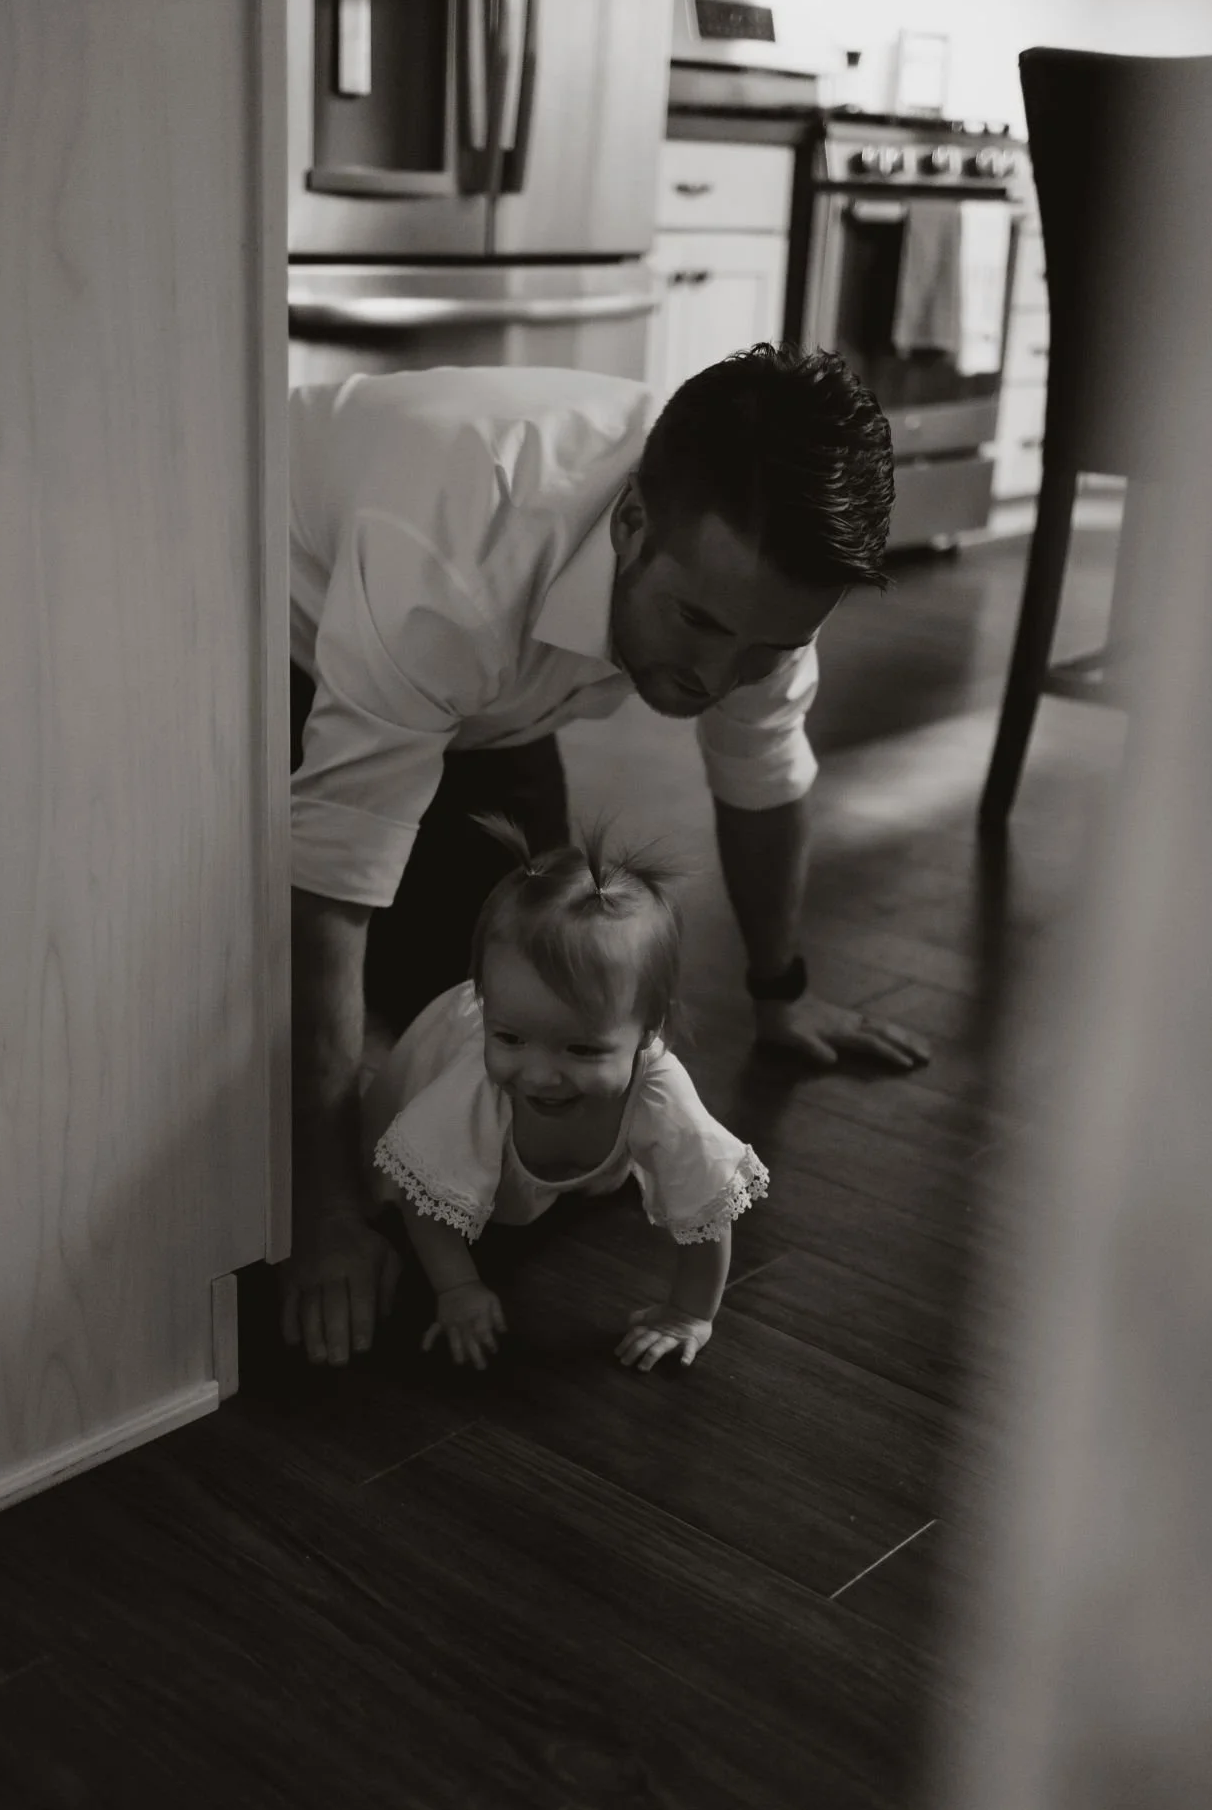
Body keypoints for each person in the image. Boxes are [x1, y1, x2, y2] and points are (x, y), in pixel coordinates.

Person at [284, 342, 929, 1367]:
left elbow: (760, 772)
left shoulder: (759, 587)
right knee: (295, 1024)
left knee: (532, 995)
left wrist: (781, 991)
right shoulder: (451, 549)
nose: (721, 676)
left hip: (493, 704)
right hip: (284, 632)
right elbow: (327, 886)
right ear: (631, 523)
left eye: (763, 651)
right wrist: (317, 1216)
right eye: (699, 623)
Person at [362, 817, 767, 1375]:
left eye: (580, 1050)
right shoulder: (470, 1083)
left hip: (579, 1125)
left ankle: (578, 1168)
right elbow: (416, 1192)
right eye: (508, 1036)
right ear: (485, 1003)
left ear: (650, 1032)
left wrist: (688, 1313)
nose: (539, 1074)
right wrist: (458, 1287)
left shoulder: (658, 1091)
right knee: (403, 1168)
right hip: (456, 1090)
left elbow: (708, 1208)